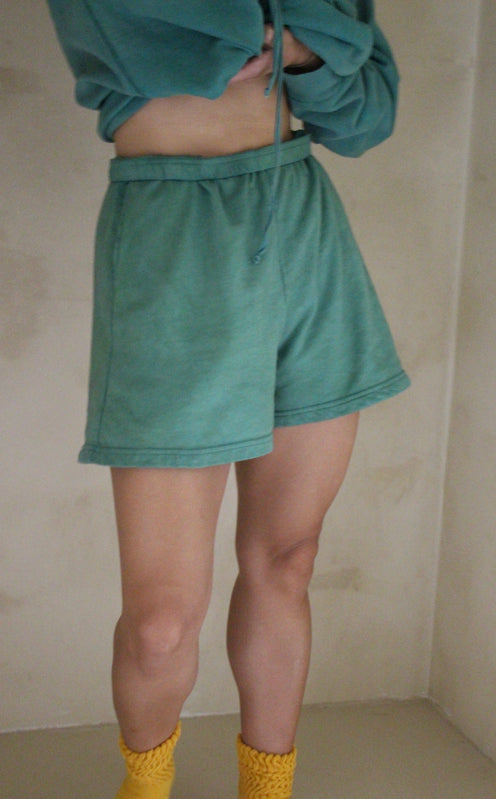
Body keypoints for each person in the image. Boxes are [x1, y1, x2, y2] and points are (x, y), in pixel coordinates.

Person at [46, 1, 409, 797]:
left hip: (303, 223)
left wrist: (303, 54)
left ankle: (266, 789)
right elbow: (159, 33)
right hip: (171, 229)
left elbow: (366, 116)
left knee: (287, 558)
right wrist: (308, 39)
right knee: (161, 618)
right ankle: (144, 787)